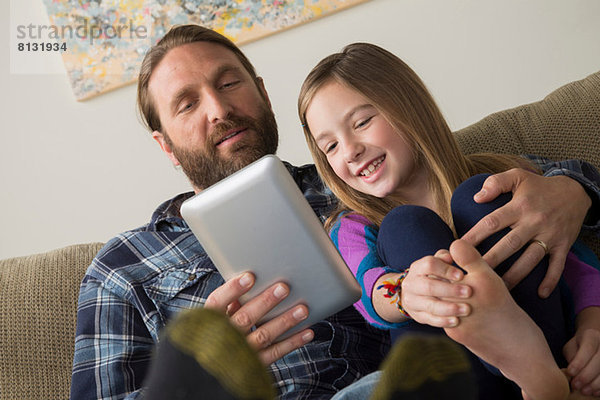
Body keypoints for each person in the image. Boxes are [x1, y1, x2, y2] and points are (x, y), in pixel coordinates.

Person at [70, 25, 600, 400]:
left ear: (263, 94)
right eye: (188, 103)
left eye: (230, 82)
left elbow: (490, 184)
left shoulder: (356, 183)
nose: (218, 107)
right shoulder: (124, 268)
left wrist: (573, 192)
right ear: (165, 145)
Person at [297, 42, 600, 399]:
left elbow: (575, 261)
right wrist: (406, 293)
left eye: (362, 122)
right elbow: (370, 290)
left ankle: (538, 373)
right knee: (404, 226)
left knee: (478, 195)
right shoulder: (349, 225)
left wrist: (593, 324)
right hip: (458, 379)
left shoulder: (503, 175)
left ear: (408, 108)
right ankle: (536, 378)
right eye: (330, 146)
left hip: (554, 348)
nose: (350, 150)